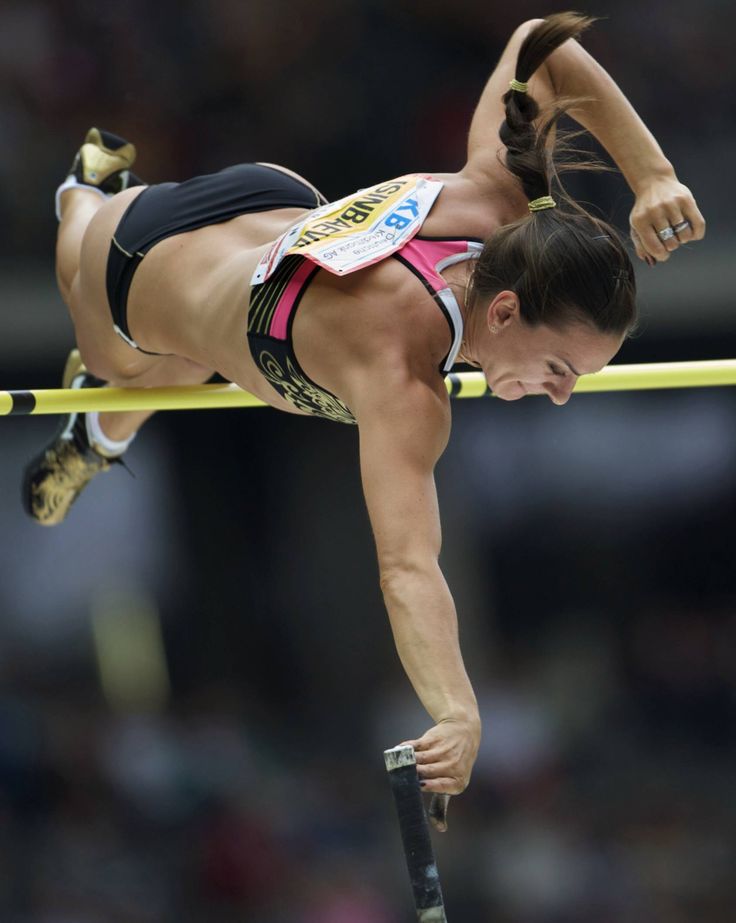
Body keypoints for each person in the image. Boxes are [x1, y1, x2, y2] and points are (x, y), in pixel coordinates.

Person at [22, 13, 705, 813]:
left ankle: (95, 437)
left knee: (191, 364)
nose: (562, 393)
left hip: (272, 201)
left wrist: (653, 175)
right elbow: (408, 568)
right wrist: (456, 706)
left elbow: (538, 48)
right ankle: (83, 193)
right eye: (559, 368)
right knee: (123, 358)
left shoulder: (502, 203)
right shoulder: (400, 375)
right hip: (139, 258)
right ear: (506, 311)